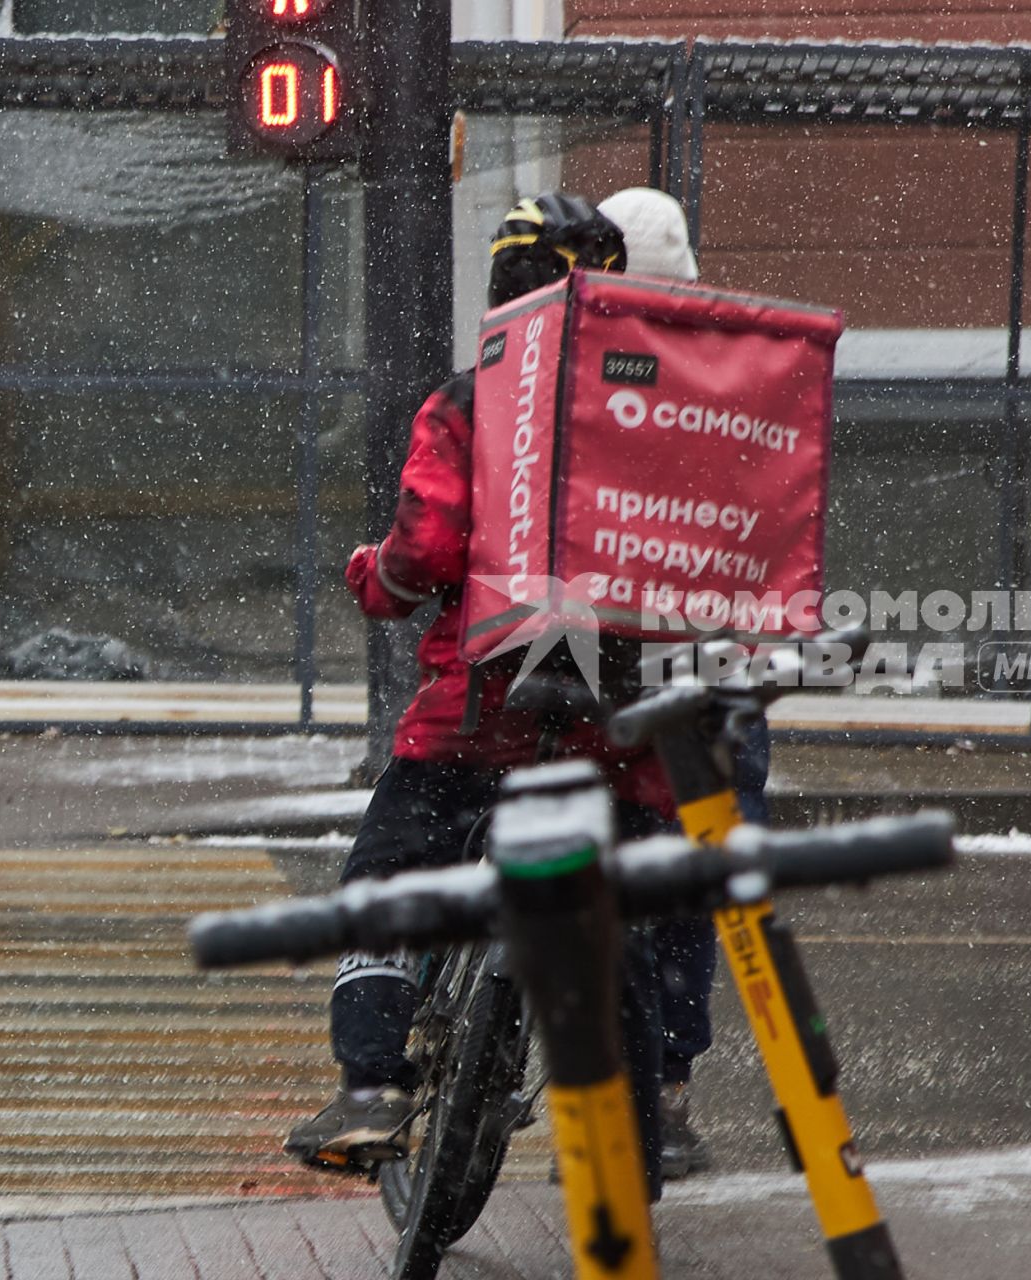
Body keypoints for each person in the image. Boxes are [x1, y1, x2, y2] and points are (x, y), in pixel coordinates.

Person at [285, 192, 674, 1192]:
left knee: (387, 875)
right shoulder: (658, 402)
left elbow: (425, 550)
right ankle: (642, 1123)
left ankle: (373, 1085)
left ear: (503, 295)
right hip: (615, 733)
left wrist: (375, 575)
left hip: (478, 721)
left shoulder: (472, 399)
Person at [596, 187, 775, 1180]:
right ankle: (658, 1086)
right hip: (695, 667)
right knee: (686, 884)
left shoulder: (592, 370)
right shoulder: (728, 378)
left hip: (644, 663)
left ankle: (646, 1081)